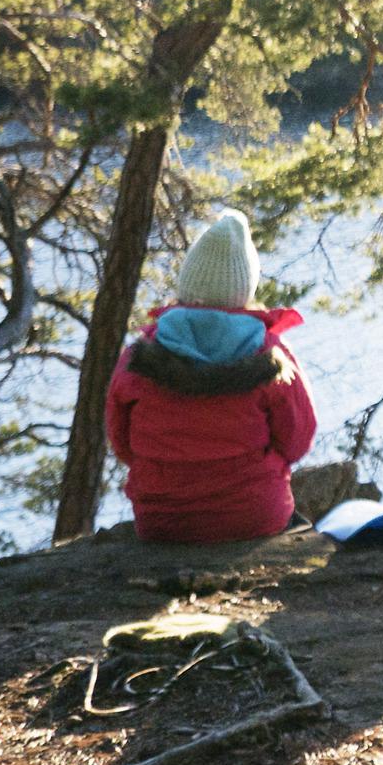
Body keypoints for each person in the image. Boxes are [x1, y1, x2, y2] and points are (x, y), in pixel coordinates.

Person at [107, 209, 317, 543]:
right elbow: (297, 441)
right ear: (245, 289)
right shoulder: (271, 355)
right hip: (254, 517)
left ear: (188, 283)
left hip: (161, 521)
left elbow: (122, 444)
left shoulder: (138, 356)